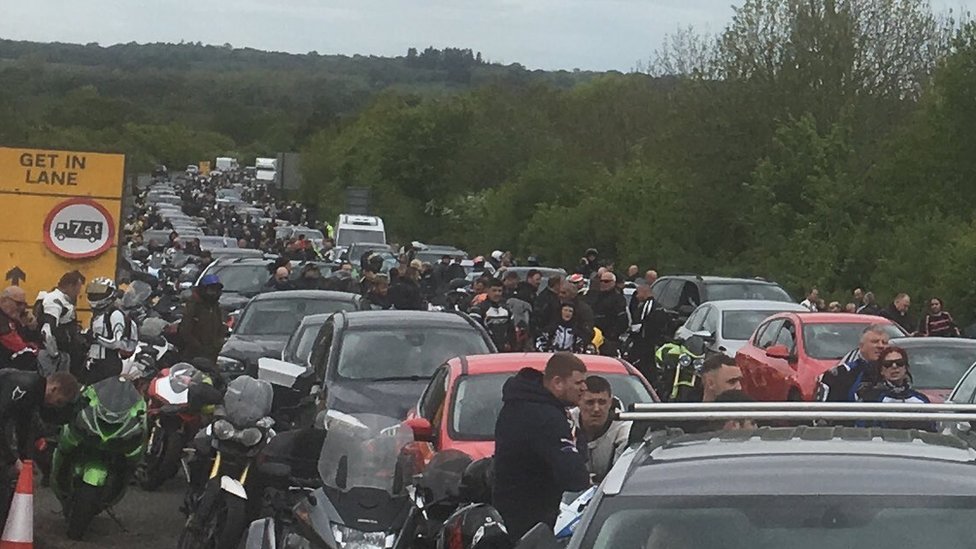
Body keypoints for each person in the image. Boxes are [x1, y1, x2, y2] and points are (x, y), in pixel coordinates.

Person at [493, 353, 590, 541]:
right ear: (557, 382)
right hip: (532, 519)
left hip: (509, 511)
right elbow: (573, 475)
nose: (584, 388)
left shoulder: (518, 403)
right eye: (578, 383)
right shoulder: (546, 417)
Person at [0, 370, 79, 525]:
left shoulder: (33, 394)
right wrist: (13, 459)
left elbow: (24, 426)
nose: (54, 406)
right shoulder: (27, 386)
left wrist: (26, 461)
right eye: (58, 401)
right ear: (54, 388)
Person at [856, 346, 932, 430]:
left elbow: (932, 431)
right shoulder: (871, 399)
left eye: (899, 363)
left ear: (906, 367)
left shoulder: (921, 400)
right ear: (881, 370)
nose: (894, 366)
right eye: (888, 364)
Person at [571, 375, 631, 481]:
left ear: (610, 402)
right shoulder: (567, 422)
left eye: (602, 402)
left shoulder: (624, 428)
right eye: (590, 402)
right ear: (578, 402)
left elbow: (623, 477)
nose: (596, 409)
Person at [81, 277, 139, 385]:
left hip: (108, 363)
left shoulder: (115, 314)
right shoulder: (98, 315)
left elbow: (117, 343)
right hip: (94, 363)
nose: (95, 296)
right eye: (93, 293)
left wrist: (95, 338)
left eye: (99, 293)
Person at [816, 324, 890, 402]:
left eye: (884, 343)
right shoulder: (839, 375)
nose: (881, 346)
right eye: (875, 342)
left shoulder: (898, 373)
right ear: (861, 346)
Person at [36, 270, 85, 375]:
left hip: (63, 353)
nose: (78, 293)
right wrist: (55, 354)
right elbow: (47, 330)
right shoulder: (54, 300)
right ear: (70, 286)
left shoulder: (62, 300)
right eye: (78, 288)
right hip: (53, 356)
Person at [179, 274, 226, 364]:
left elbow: (220, 326)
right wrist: (198, 347)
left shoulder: (215, 306)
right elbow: (185, 331)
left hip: (213, 353)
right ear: (203, 289)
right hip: (195, 355)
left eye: (216, 290)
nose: (214, 293)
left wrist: (219, 342)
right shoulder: (193, 306)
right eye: (211, 290)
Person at [587, 272, 628, 357]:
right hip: (591, 336)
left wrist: (612, 335)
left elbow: (623, 320)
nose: (603, 283)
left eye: (606, 281)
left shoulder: (618, 299)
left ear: (613, 282)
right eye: (601, 281)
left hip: (608, 338)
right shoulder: (593, 296)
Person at [470, 279, 517, 351]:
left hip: (504, 350)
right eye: (494, 290)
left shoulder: (507, 309)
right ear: (487, 291)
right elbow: (473, 332)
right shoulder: (478, 309)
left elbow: (511, 332)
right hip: (485, 349)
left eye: (499, 291)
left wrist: (514, 348)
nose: (497, 294)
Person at [0, 288, 38, 371]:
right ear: (4, 301)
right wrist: (37, 351)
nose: (22, 308)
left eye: (24, 304)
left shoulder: (14, 318)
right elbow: (16, 346)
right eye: (18, 304)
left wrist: (31, 327)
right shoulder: (2, 321)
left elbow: (26, 340)